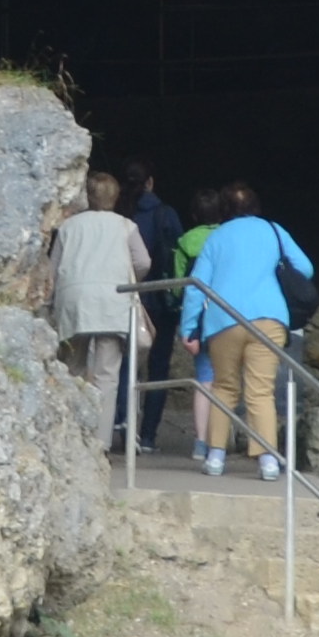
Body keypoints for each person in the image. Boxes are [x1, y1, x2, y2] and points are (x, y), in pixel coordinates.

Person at [175, 180, 313, 478]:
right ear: (255, 206)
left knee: (224, 388)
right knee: (261, 392)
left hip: (224, 319)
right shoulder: (274, 230)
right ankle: (268, 462)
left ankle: (215, 457)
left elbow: (196, 288)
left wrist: (188, 329)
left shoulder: (217, 238)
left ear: (224, 209)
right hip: (269, 318)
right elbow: (305, 268)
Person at [48, 170, 146, 457]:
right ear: (116, 197)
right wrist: (129, 279)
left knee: (73, 369)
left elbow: (53, 270)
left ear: (87, 196)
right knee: (107, 375)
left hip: (74, 301)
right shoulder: (126, 226)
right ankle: (100, 444)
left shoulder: (68, 227)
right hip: (113, 302)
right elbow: (143, 261)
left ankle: (70, 436)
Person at [117, 160, 187, 451]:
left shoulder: (119, 215)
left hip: (123, 299)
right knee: (157, 369)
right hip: (158, 302)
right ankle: (147, 437)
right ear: (150, 183)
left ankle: (120, 427)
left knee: (122, 366)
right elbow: (177, 256)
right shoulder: (165, 214)